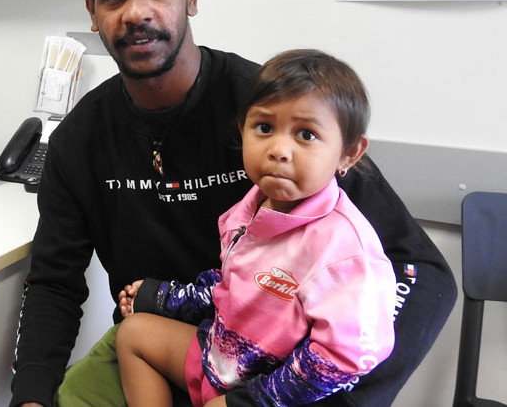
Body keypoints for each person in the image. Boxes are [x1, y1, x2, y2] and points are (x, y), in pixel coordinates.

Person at [8, 0, 456, 407]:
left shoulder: (274, 115)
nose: (136, 12)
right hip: (160, 353)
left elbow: (422, 271)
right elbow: (55, 281)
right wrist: (31, 394)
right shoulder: (79, 140)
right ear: (93, 14)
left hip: (280, 379)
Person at [115, 49, 397, 407]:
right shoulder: (245, 211)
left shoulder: (344, 249)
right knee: (133, 335)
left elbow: (345, 357)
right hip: (222, 355)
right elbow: (231, 286)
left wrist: (253, 399)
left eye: (306, 135)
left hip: (268, 388)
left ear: (349, 153)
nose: (279, 149)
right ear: (242, 130)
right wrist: (166, 298)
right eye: (264, 128)